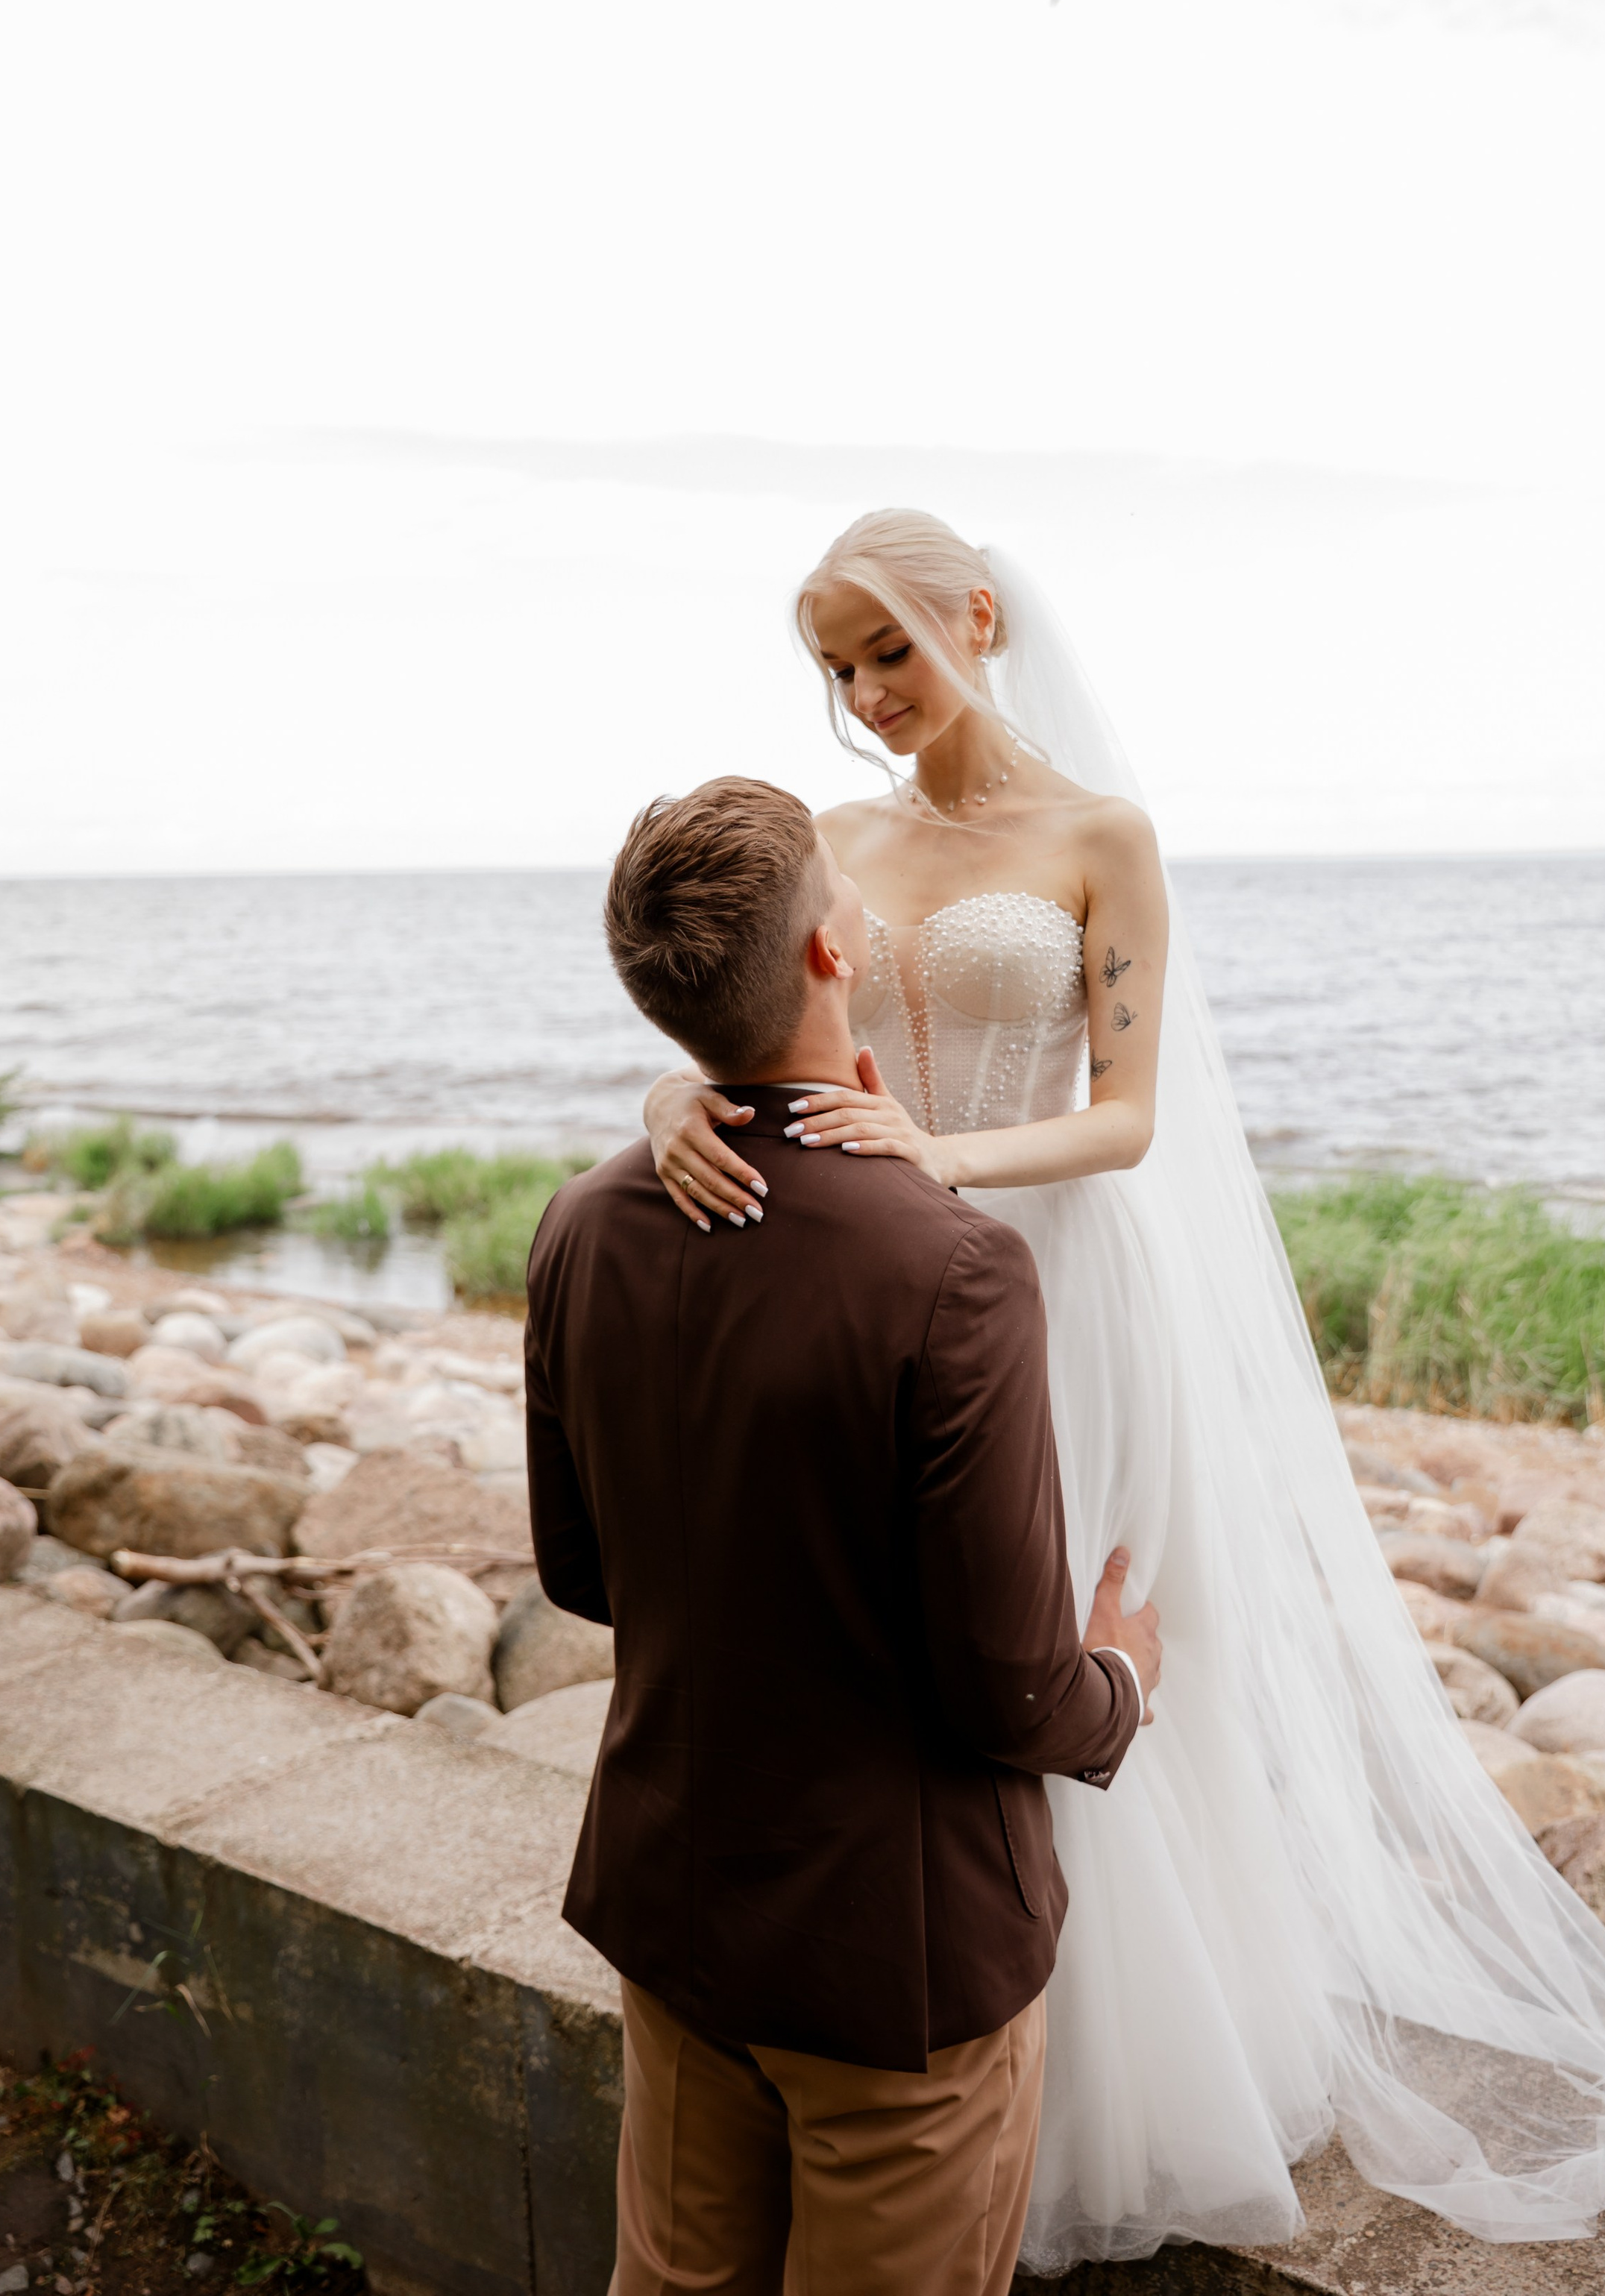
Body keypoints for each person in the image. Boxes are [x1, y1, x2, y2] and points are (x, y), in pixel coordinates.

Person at [641, 512, 1605, 2267]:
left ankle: (1111, 2088)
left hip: (1060, 1278)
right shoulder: (833, 841)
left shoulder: (1099, 837)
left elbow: (1129, 1116)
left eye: (886, 656)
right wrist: (666, 1106)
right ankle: (947, 2029)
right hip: (874, 1288)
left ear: (977, 622)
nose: (861, 699)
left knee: (1070, 1625)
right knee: (923, 1632)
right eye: (833, 670)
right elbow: (745, 1027)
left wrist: (937, 1157)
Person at [525, 774, 1160, 2296]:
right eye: (843, 892)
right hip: (895, 1969)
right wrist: (1120, 1683)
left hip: (672, 1915)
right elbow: (1007, 1689)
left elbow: (578, 1575)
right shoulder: (952, 1269)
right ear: (830, 955)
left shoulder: (582, 1224)